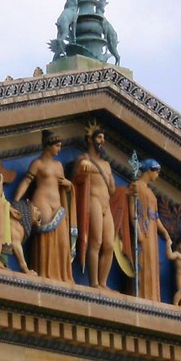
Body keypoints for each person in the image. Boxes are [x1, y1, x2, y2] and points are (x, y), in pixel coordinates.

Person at [13, 130, 73, 283]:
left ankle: (60, 276)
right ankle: (44, 273)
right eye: (57, 146)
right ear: (48, 146)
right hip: (42, 202)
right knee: (46, 239)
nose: (59, 149)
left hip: (58, 205)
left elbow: (63, 184)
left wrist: (69, 184)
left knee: (62, 242)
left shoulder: (59, 165)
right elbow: (26, 182)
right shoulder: (37, 163)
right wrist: (15, 201)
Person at [73, 122, 117, 288]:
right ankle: (94, 282)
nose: (102, 141)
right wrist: (82, 172)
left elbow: (112, 190)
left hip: (106, 204)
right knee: (96, 241)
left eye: (103, 138)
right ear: (90, 139)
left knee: (109, 244)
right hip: (93, 200)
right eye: (99, 137)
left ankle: (104, 283)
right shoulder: (83, 159)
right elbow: (76, 180)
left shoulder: (106, 165)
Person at [130, 159, 168, 302]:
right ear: (149, 170)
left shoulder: (151, 193)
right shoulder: (136, 186)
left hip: (152, 233)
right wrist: (137, 230)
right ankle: (142, 295)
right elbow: (132, 209)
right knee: (143, 262)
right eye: (156, 171)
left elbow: (155, 216)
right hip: (143, 230)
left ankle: (152, 296)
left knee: (152, 264)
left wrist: (165, 233)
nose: (157, 175)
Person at [163, 234, 181, 307]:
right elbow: (170, 256)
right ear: (178, 245)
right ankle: (175, 304)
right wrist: (168, 246)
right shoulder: (177, 254)